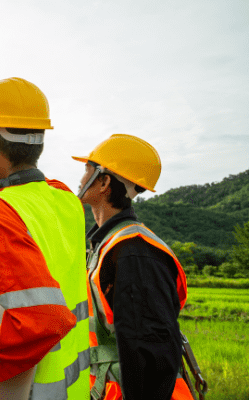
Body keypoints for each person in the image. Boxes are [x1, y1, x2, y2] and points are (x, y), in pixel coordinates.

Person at [0, 77, 90, 399]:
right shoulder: (65, 199)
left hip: (20, 388)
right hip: (71, 387)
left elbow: (41, 320)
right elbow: (5, 163)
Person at [73, 134, 193, 400]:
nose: (81, 180)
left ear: (104, 181)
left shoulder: (134, 252)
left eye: (87, 171)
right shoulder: (109, 243)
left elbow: (150, 352)